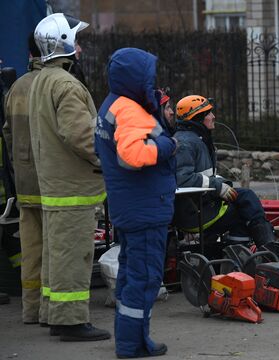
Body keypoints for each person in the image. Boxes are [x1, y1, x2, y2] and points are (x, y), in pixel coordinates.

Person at [28, 13, 110, 341]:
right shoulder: (66, 84)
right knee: (72, 256)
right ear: (62, 42)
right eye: (75, 40)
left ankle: (55, 314)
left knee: (56, 254)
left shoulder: (42, 80)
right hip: (72, 188)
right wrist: (110, 159)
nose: (80, 46)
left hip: (54, 184)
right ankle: (72, 322)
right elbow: (81, 136)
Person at [95, 47, 177, 358]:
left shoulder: (113, 104)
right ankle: (131, 344)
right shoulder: (129, 110)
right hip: (144, 209)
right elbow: (131, 156)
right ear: (135, 79)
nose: (152, 82)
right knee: (144, 278)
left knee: (133, 275)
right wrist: (167, 146)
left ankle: (135, 339)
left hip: (132, 207)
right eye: (148, 76)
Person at [174, 95, 275, 247]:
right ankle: (269, 248)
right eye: (208, 113)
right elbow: (181, 179)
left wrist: (221, 183)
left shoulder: (197, 139)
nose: (213, 117)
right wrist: (218, 186)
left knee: (244, 202)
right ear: (198, 117)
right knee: (245, 205)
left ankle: (237, 254)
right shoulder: (186, 144)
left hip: (202, 206)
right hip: (194, 214)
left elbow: (204, 174)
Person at [2, 35, 44, 324]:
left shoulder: (16, 87)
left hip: (24, 182)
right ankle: (52, 311)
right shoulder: (54, 84)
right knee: (55, 251)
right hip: (51, 184)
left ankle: (31, 309)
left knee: (30, 250)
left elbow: (8, 134)